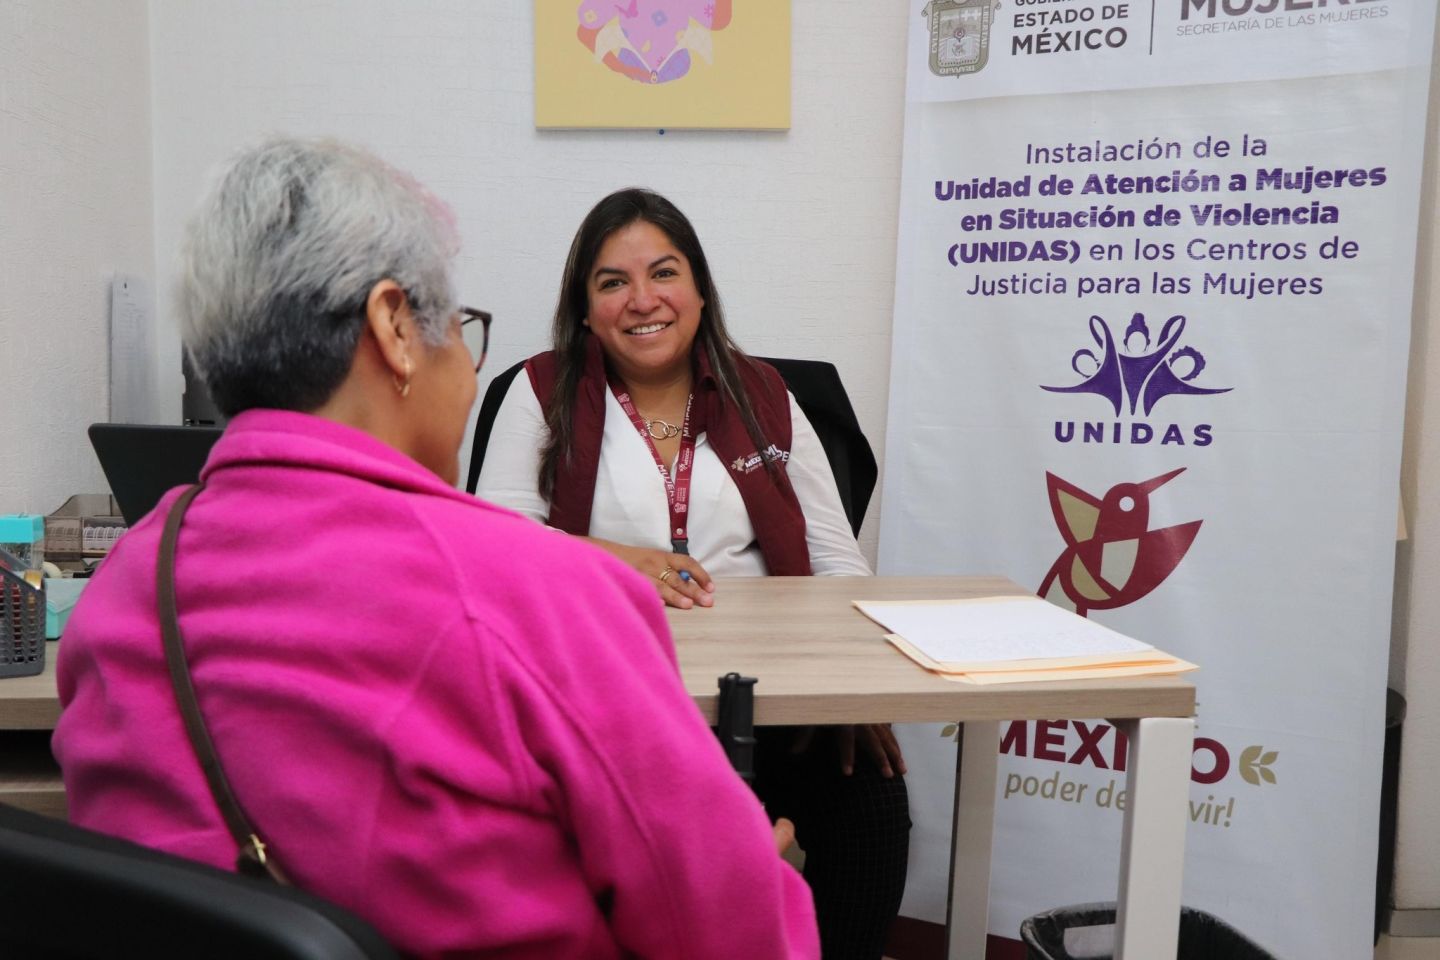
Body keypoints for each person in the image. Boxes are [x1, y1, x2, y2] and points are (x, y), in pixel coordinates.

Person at [52, 140, 818, 960]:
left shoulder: (125, 586)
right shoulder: (545, 594)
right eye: (460, 327)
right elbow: (735, 933)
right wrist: (760, 880)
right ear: (394, 329)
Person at [476, 188, 910, 960]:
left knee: (871, 799)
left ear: (701, 292)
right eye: (612, 282)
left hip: (771, 698)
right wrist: (617, 564)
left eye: (664, 274)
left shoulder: (767, 394)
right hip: (609, 705)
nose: (642, 300)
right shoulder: (538, 393)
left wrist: (854, 687)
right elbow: (494, 544)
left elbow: (837, 560)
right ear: (584, 308)